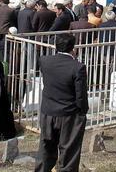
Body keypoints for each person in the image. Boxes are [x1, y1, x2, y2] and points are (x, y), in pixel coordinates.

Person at [35, 34, 88, 172]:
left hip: (48, 111)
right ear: (73, 48)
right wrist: (82, 112)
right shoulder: (78, 67)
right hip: (69, 113)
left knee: (46, 147)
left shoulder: (44, 61)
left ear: (55, 46)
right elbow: (80, 95)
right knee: (69, 150)